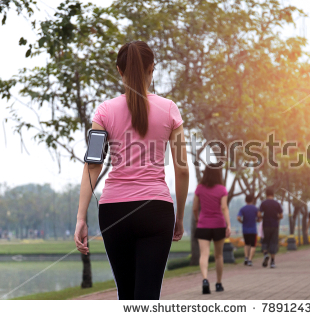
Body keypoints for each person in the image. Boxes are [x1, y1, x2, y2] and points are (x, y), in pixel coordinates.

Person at [74, 41, 189, 300]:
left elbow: (93, 164)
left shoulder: (104, 112)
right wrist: (179, 216)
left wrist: (81, 217)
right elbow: (182, 169)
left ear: (119, 70)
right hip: (156, 210)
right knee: (147, 299)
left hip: (114, 212)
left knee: (126, 297)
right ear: (152, 69)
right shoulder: (169, 108)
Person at [193, 166, 232, 294]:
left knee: (204, 254)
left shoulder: (199, 189)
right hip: (219, 225)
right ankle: (219, 284)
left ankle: (205, 280)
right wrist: (229, 224)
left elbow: (194, 208)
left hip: (203, 225)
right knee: (218, 255)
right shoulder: (222, 189)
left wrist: (197, 219)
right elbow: (224, 208)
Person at [258, 188, 283, 268]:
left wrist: (263, 217)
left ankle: (265, 255)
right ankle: (272, 262)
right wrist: (276, 218)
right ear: (273, 194)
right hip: (274, 225)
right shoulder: (277, 203)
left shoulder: (263, 203)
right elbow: (281, 215)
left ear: (266, 194)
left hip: (266, 225)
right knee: (273, 242)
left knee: (265, 241)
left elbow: (259, 214)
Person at [237, 194, 260, 266]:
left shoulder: (243, 209)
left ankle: (246, 257)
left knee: (246, 244)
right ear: (252, 200)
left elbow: (238, 217)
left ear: (245, 200)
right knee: (253, 245)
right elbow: (259, 217)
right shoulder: (255, 208)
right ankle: (250, 260)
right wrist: (257, 220)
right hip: (253, 230)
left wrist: (242, 222)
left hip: (245, 229)